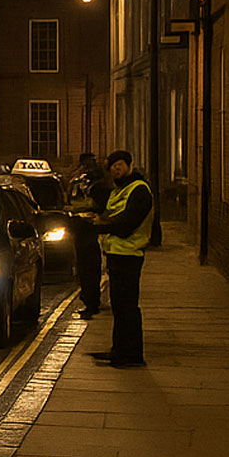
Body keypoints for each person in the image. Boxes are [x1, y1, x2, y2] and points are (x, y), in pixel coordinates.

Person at [89, 149, 152, 369]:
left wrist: (100, 226)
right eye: (112, 167)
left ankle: (132, 355)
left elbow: (127, 224)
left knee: (127, 307)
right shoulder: (119, 190)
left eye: (119, 165)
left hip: (130, 254)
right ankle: (119, 350)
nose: (116, 170)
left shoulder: (140, 190)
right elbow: (109, 214)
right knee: (120, 306)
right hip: (116, 253)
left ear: (128, 165)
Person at [68, 152, 112, 318]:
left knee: (90, 269)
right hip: (84, 230)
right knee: (86, 270)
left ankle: (91, 302)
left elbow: (98, 206)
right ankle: (90, 301)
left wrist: (80, 210)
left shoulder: (99, 185)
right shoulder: (81, 182)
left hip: (92, 231)